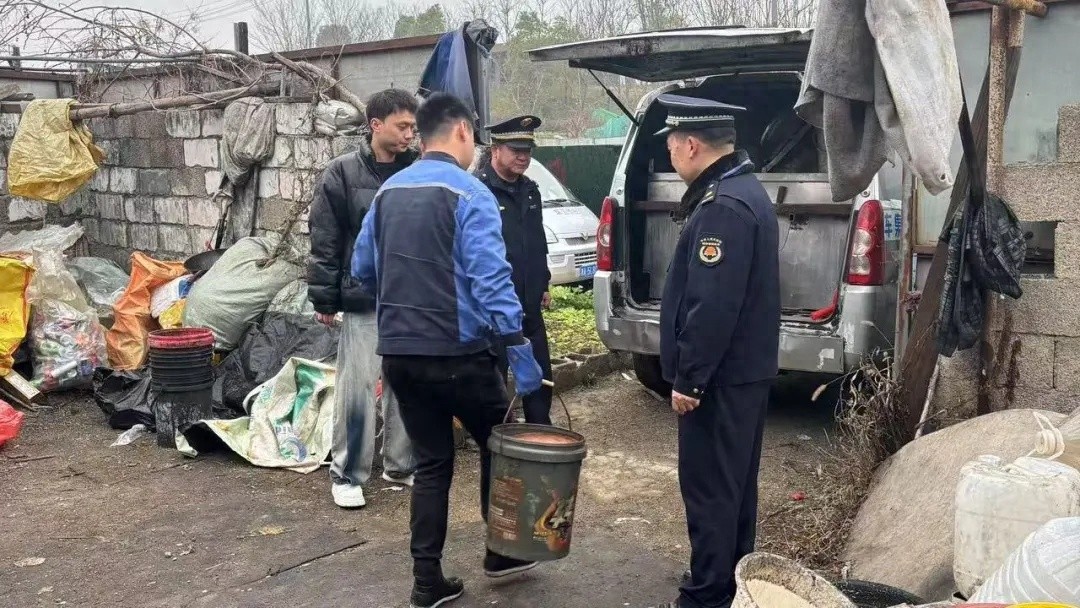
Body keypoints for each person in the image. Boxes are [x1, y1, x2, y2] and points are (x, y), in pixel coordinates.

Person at [352, 92, 546, 608]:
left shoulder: (388, 192)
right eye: (475, 138)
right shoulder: (470, 193)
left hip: (400, 355)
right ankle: (502, 553)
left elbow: (362, 268)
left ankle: (426, 582)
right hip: (459, 355)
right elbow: (491, 278)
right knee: (500, 446)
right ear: (462, 131)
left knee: (433, 464)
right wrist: (516, 342)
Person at [652, 94, 780, 608]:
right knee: (734, 488)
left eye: (670, 147)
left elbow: (711, 306)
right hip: (742, 373)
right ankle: (731, 584)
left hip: (720, 379)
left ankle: (706, 594)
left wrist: (690, 378)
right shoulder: (744, 191)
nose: (669, 156)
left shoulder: (722, 207)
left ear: (690, 145)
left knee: (710, 491)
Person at [307, 88, 419, 509]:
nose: (409, 134)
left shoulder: (418, 170)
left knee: (406, 385)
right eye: (402, 126)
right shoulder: (341, 172)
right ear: (376, 125)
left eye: (413, 127)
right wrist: (325, 298)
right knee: (357, 388)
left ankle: (401, 465)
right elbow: (325, 238)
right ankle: (348, 473)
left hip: (409, 299)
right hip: (363, 297)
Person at [474, 115, 554, 424]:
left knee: (540, 374)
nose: (523, 157)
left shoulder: (530, 190)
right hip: (494, 305)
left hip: (529, 302)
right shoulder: (478, 191)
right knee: (494, 378)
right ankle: (494, 436)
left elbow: (536, 240)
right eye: (516, 150)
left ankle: (539, 431)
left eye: (527, 150)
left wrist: (544, 282)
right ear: (495, 149)